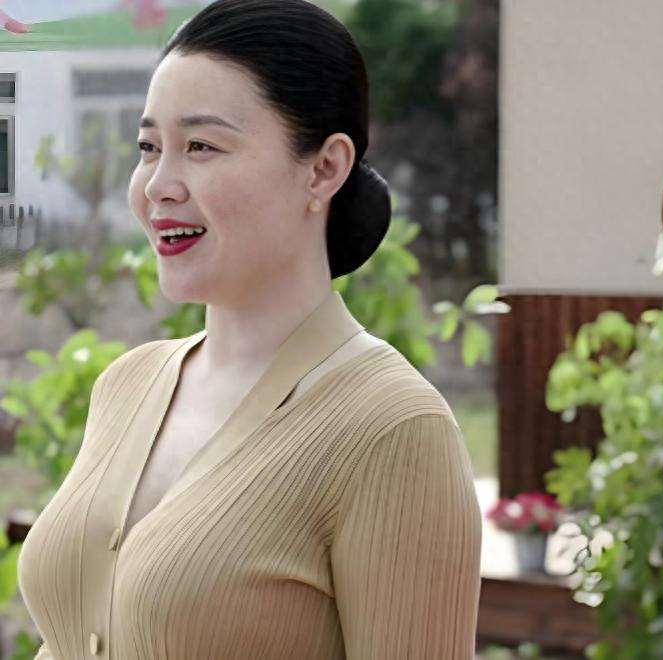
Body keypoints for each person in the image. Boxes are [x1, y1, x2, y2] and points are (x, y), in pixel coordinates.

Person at [17, 1, 482, 658]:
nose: (158, 185)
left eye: (201, 147)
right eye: (149, 148)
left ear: (324, 168)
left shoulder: (392, 429)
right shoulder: (127, 384)